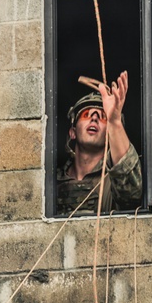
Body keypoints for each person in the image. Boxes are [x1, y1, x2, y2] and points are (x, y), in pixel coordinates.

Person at [56, 71, 143, 215]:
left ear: (109, 134)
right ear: (73, 132)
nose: (94, 118)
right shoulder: (53, 181)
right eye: (86, 115)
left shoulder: (112, 181)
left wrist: (114, 121)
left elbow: (132, 193)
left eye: (102, 117)